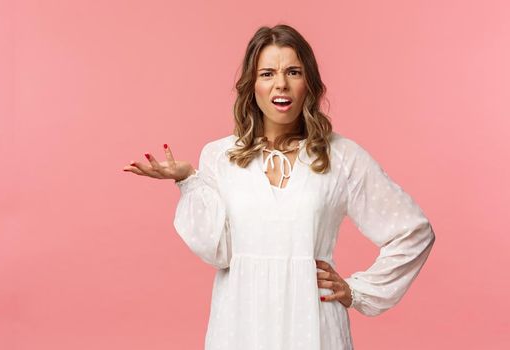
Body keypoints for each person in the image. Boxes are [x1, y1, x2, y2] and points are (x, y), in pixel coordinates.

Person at [122, 24, 436, 349]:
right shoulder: (220, 156)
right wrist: (188, 179)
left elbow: (413, 231)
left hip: (314, 325)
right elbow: (219, 252)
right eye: (268, 73)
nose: (281, 84)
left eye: (294, 72)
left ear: (309, 83)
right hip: (240, 323)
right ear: (252, 85)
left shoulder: (341, 156)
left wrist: (357, 290)